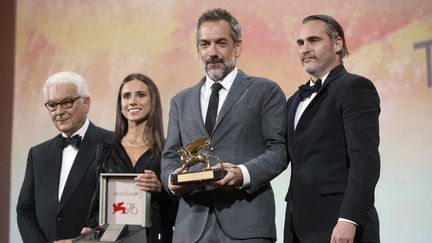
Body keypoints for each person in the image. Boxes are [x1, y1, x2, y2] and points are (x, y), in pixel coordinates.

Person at [161, 8, 287, 243]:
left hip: (247, 226)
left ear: (237, 47)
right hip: (191, 229)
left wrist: (243, 174)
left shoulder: (265, 91)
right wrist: (171, 180)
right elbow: (170, 156)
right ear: (198, 50)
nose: (212, 52)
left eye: (221, 43)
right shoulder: (180, 101)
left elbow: (279, 150)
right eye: (205, 44)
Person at [284, 14, 381, 243]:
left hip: (340, 225)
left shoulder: (355, 87)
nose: (305, 48)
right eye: (300, 43)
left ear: (337, 44)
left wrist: (349, 219)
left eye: (314, 40)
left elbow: (364, 160)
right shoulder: (293, 101)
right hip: (297, 227)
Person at [16, 71, 113, 242]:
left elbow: (119, 208)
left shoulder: (112, 143)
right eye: (52, 105)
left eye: (66, 103)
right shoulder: (37, 154)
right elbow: (25, 210)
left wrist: (87, 240)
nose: (58, 112)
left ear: (86, 103)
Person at [84, 73, 176, 242]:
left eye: (140, 95)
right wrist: (91, 231)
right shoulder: (105, 151)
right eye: (126, 96)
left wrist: (161, 189)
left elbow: (179, 210)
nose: (132, 101)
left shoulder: (168, 151)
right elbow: (96, 207)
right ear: (120, 105)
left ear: (153, 101)